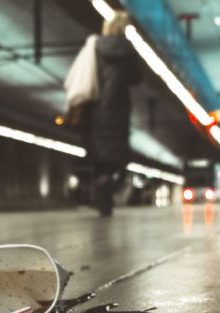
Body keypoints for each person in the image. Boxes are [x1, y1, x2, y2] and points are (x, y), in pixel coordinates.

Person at [84, 11, 141, 217]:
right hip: (118, 106)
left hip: (97, 106)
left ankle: (100, 187)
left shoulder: (95, 47)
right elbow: (136, 78)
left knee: (98, 151)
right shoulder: (128, 49)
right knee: (118, 152)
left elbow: (87, 74)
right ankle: (110, 181)